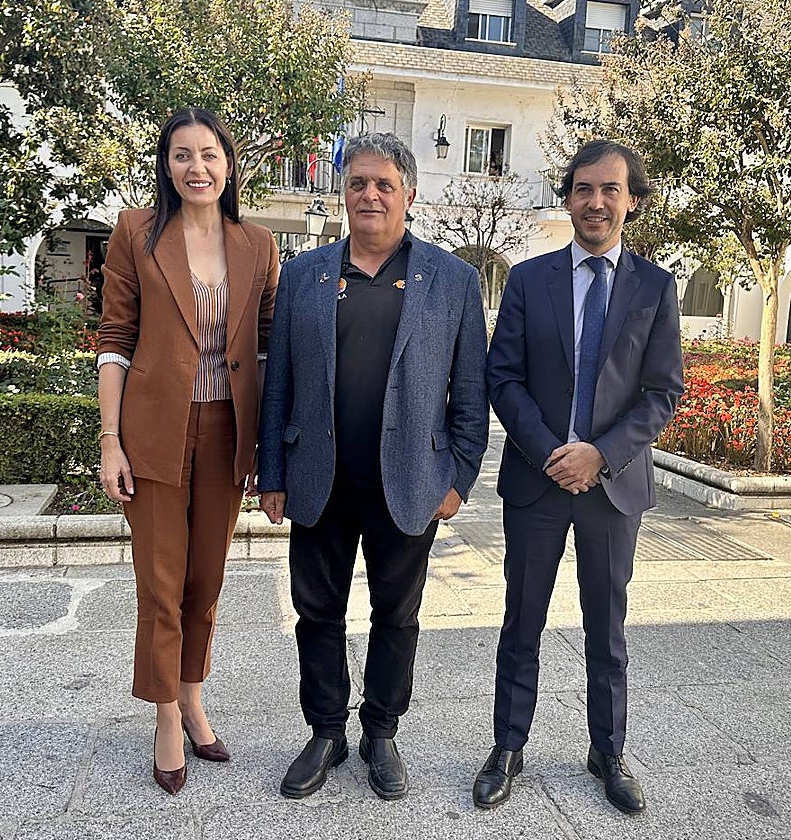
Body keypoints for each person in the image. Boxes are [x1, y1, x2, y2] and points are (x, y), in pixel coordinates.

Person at [257, 133, 489, 802]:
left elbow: (470, 392)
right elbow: (279, 384)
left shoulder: (452, 279)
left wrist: (459, 478)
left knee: (397, 615)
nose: (370, 194)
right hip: (319, 480)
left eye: (384, 184)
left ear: (409, 195)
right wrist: (271, 471)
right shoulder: (303, 274)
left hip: (410, 482)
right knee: (317, 613)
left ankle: (380, 731)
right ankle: (325, 730)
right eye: (359, 182)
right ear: (344, 193)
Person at [473, 139, 683, 814]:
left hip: (612, 488)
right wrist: (550, 452)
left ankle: (608, 750)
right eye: (584, 189)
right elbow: (501, 376)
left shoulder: (656, 287)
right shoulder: (530, 280)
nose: (596, 202)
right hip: (537, 483)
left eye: (610, 190)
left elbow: (662, 392)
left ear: (633, 201)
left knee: (607, 626)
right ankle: (508, 746)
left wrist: (599, 454)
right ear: (567, 198)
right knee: (522, 622)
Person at [96, 107, 279, 795]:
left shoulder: (257, 244)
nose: (196, 167)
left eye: (208, 154)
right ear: (165, 165)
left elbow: (266, 348)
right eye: (181, 155)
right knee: (162, 585)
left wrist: (267, 440)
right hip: (151, 430)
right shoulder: (135, 234)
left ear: (230, 164)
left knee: (207, 582)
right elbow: (115, 339)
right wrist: (110, 439)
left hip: (228, 433)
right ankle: (166, 715)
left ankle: (194, 692)